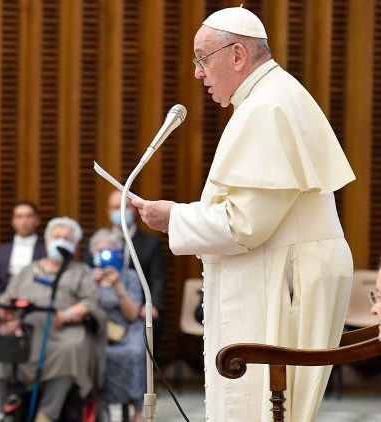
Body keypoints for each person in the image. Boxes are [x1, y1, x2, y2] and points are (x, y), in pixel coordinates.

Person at [130, 7, 355, 421]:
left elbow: (244, 225)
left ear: (237, 55)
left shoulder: (266, 106)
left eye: (202, 59)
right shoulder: (271, 96)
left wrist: (173, 218)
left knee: (261, 410)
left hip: (285, 278)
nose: (197, 73)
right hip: (287, 268)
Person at [0, 217, 105, 422]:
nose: (60, 241)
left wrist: (68, 314)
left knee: (69, 350)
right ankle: (8, 405)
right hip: (27, 328)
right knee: (1, 346)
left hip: (63, 328)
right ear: (46, 241)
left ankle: (47, 414)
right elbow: (7, 297)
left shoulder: (79, 271)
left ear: (75, 245)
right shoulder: (29, 270)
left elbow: (91, 302)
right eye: (56, 237)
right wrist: (5, 311)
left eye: (66, 238)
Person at [85, 190, 166, 353]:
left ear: (134, 210)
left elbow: (158, 278)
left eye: (125, 207)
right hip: (103, 303)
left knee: (150, 327)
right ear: (108, 211)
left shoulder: (151, 243)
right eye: (115, 207)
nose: (120, 211)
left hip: (138, 305)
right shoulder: (98, 242)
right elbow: (86, 271)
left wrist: (152, 305)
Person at [0, 201, 46, 352]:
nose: (24, 221)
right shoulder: (0, 251)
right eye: (19, 216)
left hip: (33, 302)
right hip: (4, 302)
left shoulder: (45, 251)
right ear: (13, 221)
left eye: (28, 216)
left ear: (37, 220)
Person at [88, 229, 144, 422]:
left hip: (126, 330)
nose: (105, 255)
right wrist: (93, 286)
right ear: (93, 254)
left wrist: (118, 286)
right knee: (91, 352)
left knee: (135, 352)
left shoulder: (130, 277)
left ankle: (138, 410)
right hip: (97, 329)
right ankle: (97, 407)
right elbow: (85, 309)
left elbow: (132, 315)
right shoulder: (87, 277)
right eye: (100, 251)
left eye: (110, 251)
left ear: (118, 254)